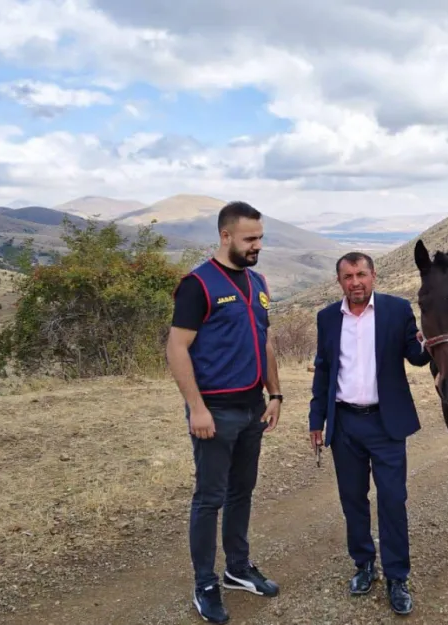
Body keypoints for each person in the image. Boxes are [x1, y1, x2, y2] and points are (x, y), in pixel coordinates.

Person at [166, 200, 284, 624]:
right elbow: (176, 348)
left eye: (260, 238)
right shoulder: (198, 284)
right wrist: (196, 408)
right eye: (250, 239)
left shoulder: (258, 282)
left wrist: (275, 394)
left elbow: (265, 340)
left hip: (253, 407)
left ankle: (237, 567)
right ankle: (205, 584)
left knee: (242, 492)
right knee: (210, 498)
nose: (257, 246)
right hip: (213, 412)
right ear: (226, 236)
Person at [308, 251, 431, 616]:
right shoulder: (328, 318)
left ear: (374, 276)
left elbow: (417, 356)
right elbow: (323, 371)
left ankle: (397, 576)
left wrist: (430, 339)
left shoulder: (396, 310)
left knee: (392, 500)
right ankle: (364, 564)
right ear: (339, 281)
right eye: (348, 276)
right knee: (352, 499)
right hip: (344, 423)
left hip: (386, 423)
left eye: (362, 274)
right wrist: (318, 420)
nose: (355, 282)